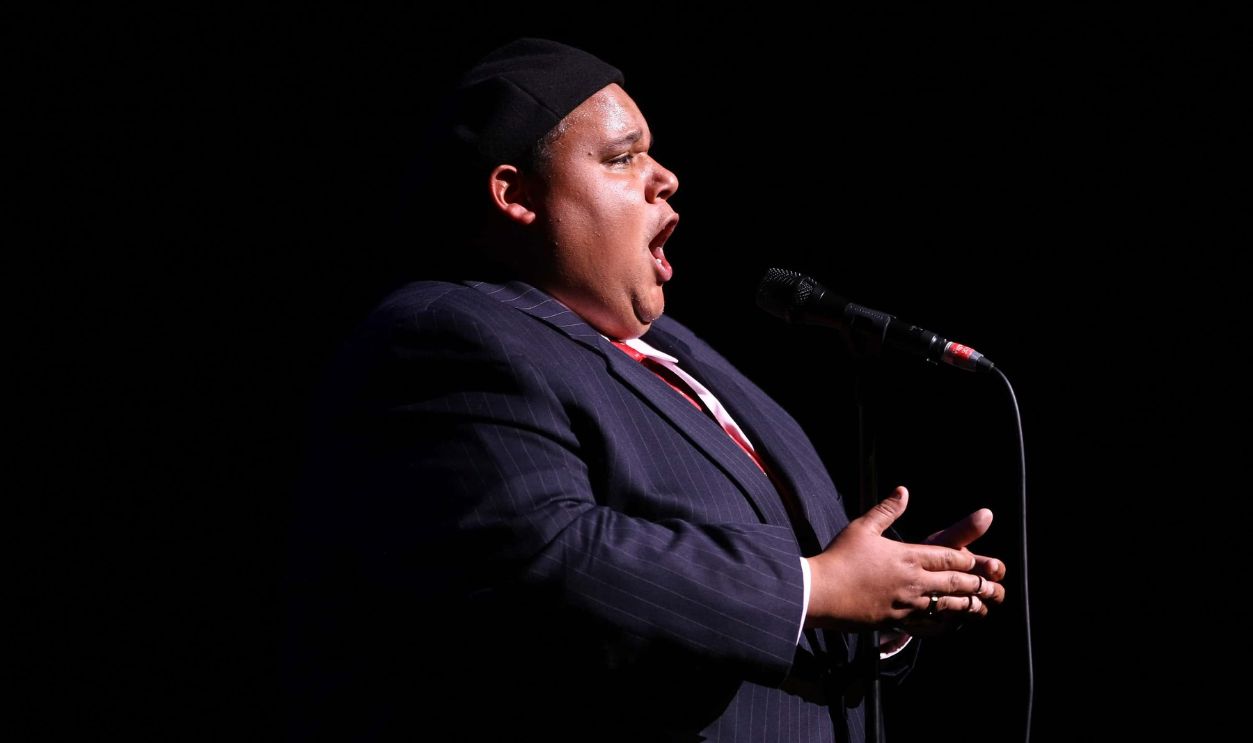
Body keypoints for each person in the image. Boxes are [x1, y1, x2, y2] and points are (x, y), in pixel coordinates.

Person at [284, 38, 1006, 742]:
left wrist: (878, 613)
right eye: (622, 156)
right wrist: (813, 590)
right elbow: (546, 555)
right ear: (517, 194)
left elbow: (792, 603)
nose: (664, 177)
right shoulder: (447, 332)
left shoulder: (676, 349)